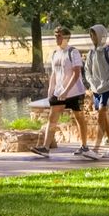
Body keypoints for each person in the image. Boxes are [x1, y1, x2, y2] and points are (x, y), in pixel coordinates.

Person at [37, 26, 87, 159]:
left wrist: (67, 91)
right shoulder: (55, 53)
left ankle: (84, 146)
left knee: (79, 118)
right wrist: (50, 90)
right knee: (52, 118)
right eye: (56, 36)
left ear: (66, 37)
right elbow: (54, 73)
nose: (57, 39)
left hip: (75, 92)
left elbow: (76, 73)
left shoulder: (73, 52)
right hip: (59, 93)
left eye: (60, 36)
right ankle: (45, 147)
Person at [82, 25, 109, 157]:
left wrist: (106, 85)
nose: (92, 37)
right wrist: (93, 84)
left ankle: (95, 149)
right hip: (96, 90)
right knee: (103, 120)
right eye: (91, 35)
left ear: (100, 35)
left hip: (107, 89)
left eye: (94, 34)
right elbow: (87, 71)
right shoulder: (91, 53)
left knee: (101, 114)